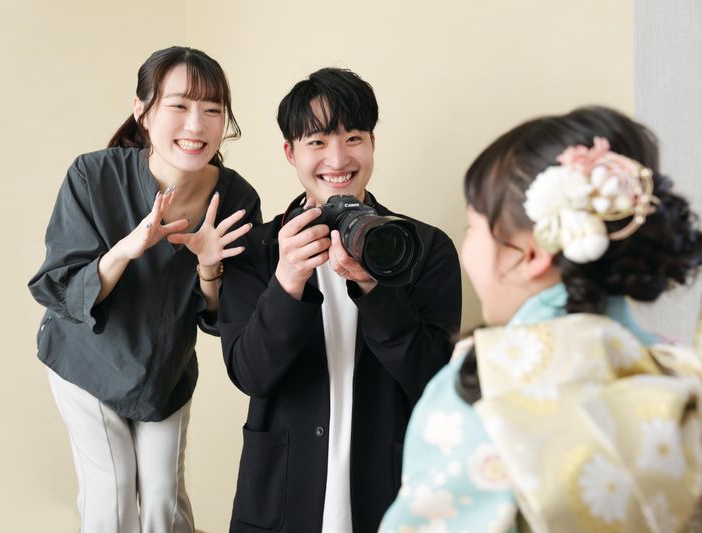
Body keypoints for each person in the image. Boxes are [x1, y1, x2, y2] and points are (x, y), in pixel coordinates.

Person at [380, 106, 702, 532]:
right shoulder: (698, 378)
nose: (467, 245)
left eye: (471, 227)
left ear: (531, 254)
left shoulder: (484, 387)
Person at [217, 67, 462, 532]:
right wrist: (287, 280)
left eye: (353, 138)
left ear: (372, 144)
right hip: (283, 492)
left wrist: (374, 287)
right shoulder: (256, 251)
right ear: (290, 153)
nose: (337, 158)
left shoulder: (424, 247)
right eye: (317, 141)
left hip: (390, 491)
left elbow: (434, 379)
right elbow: (250, 373)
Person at [28, 46, 261, 532]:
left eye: (212, 109)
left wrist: (209, 267)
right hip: (86, 362)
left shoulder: (236, 198)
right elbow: (63, 288)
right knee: (112, 499)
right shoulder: (92, 175)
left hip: (163, 374)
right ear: (143, 110)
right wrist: (126, 249)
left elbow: (226, 316)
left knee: (163, 505)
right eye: (179, 105)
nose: (196, 124)